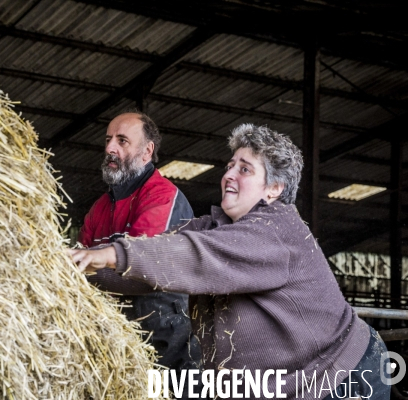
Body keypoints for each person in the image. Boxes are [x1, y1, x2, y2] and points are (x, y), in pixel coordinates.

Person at [71, 123, 390, 399]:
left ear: (274, 188)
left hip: (342, 379)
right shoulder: (211, 227)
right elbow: (148, 269)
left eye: (245, 169)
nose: (230, 175)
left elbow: (191, 256)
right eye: (230, 166)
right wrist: (80, 269)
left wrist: (112, 253)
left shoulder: (277, 230)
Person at [78, 111, 202, 398]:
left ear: (147, 151)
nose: (111, 148)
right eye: (109, 139)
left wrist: (84, 266)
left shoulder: (160, 196)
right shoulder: (99, 208)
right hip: (117, 343)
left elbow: (143, 277)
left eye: (122, 141)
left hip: (167, 342)